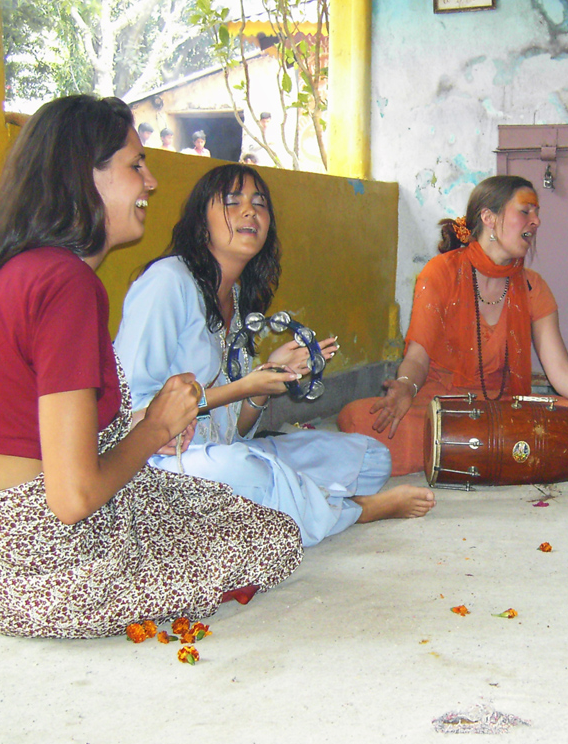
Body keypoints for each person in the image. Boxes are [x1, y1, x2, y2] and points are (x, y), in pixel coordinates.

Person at [0, 95, 302, 637]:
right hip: (46, 568)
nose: (150, 182)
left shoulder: (3, 268)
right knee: (272, 538)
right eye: (135, 165)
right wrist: (159, 422)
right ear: (84, 178)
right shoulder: (67, 286)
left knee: (216, 505)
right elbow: (74, 498)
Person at [113, 163, 435, 544]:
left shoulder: (235, 299)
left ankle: (299, 501)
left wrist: (267, 382)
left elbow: (238, 430)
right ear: (202, 223)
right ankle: (354, 510)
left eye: (259, 203)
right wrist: (244, 385)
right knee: (250, 471)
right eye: (233, 202)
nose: (250, 211)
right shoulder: (168, 282)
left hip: (222, 452)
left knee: (368, 457)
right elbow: (128, 414)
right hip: (160, 465)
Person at [338, 175, 568, 476]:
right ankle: (490, 450)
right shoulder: (440, 273)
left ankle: (468, 450)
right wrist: (406, 387)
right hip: (444, 409)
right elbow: (418, 357)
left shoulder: (534, 286)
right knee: (357, 419)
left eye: (537, 213)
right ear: (489, 218)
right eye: (525, 211)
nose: (536, 221)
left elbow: (561, 372)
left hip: (508, 410)